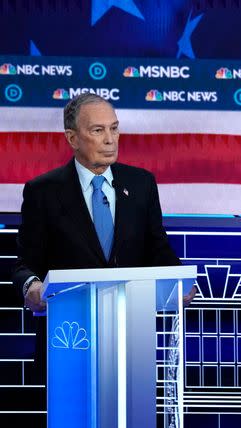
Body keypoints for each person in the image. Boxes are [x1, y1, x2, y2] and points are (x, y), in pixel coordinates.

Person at [12, 93, 195, 382]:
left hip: (129, 336)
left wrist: (178, 281)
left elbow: (157, 248)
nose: (110, 139)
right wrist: (31, 286)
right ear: (72, 138)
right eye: (98, 130)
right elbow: (26, 264)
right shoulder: (43, 192)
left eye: (114, 128)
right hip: (67, 337)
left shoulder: (141, 184)